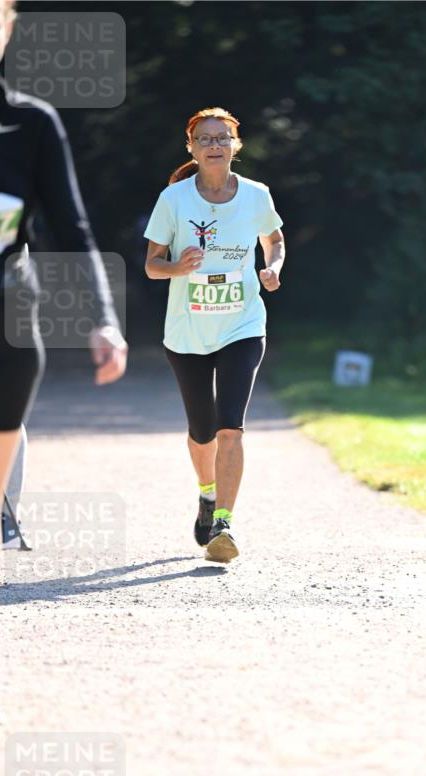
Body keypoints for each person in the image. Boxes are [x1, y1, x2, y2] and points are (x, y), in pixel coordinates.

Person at [0, 0, 128, 733]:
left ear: (9, 28)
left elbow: (72, 225)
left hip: (7, 336)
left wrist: (102, 316)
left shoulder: (33, 125)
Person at [144, 106, 285, 563]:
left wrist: (272, 268)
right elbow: (151, 266)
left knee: (230, 428)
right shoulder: (174, 199)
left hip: (242, 325)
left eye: (222, 137)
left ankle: (224, 522)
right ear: (191, 148)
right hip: (187, 331)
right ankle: (207, 493)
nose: (214, 145)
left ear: (235, 145)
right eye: (204, 139)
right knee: (202, 432)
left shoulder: (257, 195)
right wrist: (177, 267)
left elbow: (274, 240)